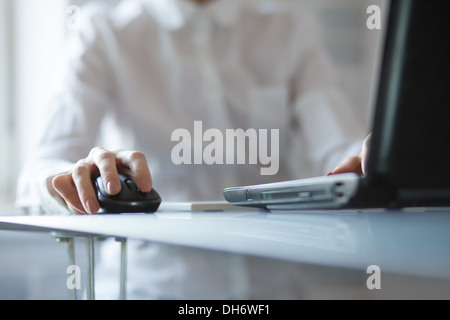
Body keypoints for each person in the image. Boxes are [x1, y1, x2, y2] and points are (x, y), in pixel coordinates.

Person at [16, 0, 369, 299]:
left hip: (275, 290)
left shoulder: (289, 30)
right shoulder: (105, 33)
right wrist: (79, 177)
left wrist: (377, 156)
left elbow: (339, 150)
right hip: (150, 289)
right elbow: (38, 173)